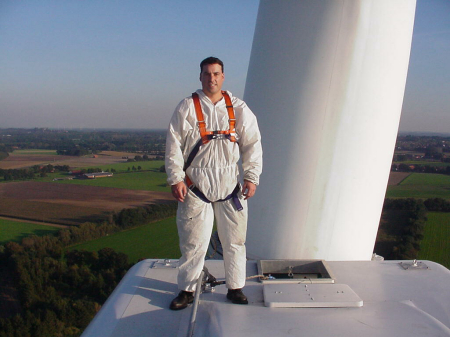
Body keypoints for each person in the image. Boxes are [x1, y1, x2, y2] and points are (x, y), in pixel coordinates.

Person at [165, 56, 262, 310]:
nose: (212, 78)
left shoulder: (238, 108)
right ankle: (187, 290)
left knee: (235, 241)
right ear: (200, 77)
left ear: (223, 76)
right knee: (193, 242)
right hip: (196, 186)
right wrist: (175, 178)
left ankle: (236, 287)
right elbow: (173, 144)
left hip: (231, 186)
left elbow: (252, 144)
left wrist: (252, 176)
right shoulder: (187, 107)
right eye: (207, 74)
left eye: (216, 74)